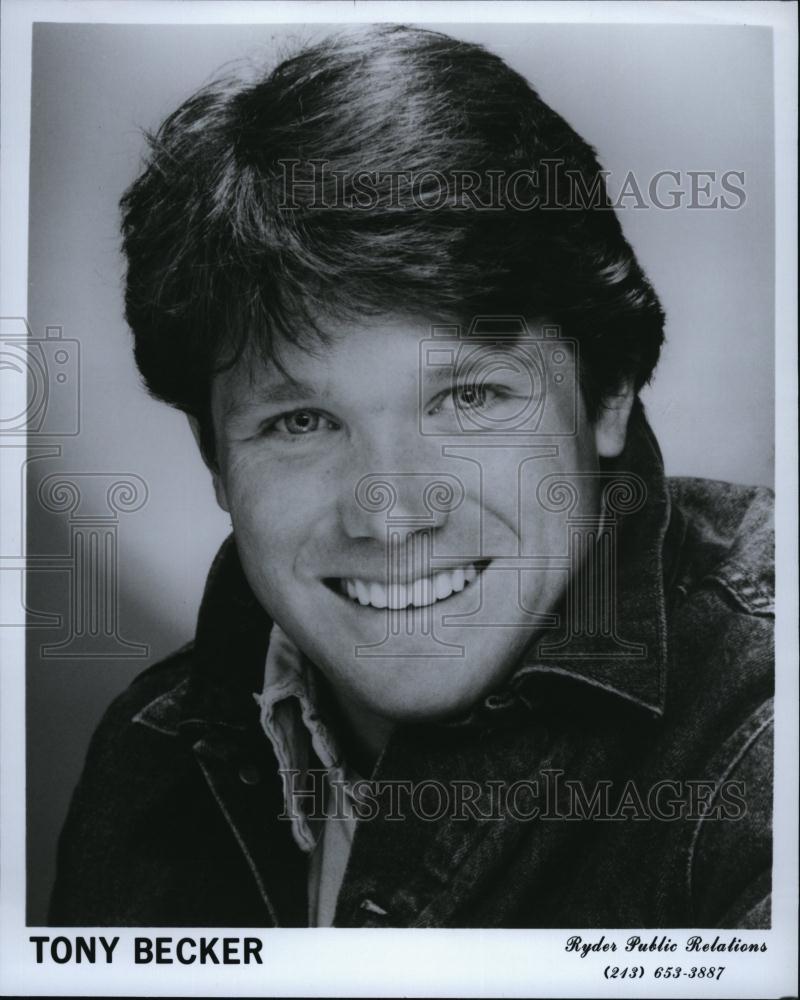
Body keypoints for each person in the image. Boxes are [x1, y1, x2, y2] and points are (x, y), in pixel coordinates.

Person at [49, 24, 773, 928]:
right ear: (215, 458)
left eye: (468, 398)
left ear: (609, 392)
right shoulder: (150, 759)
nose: (390, 514)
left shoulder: (766, 726)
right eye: (302, 422)